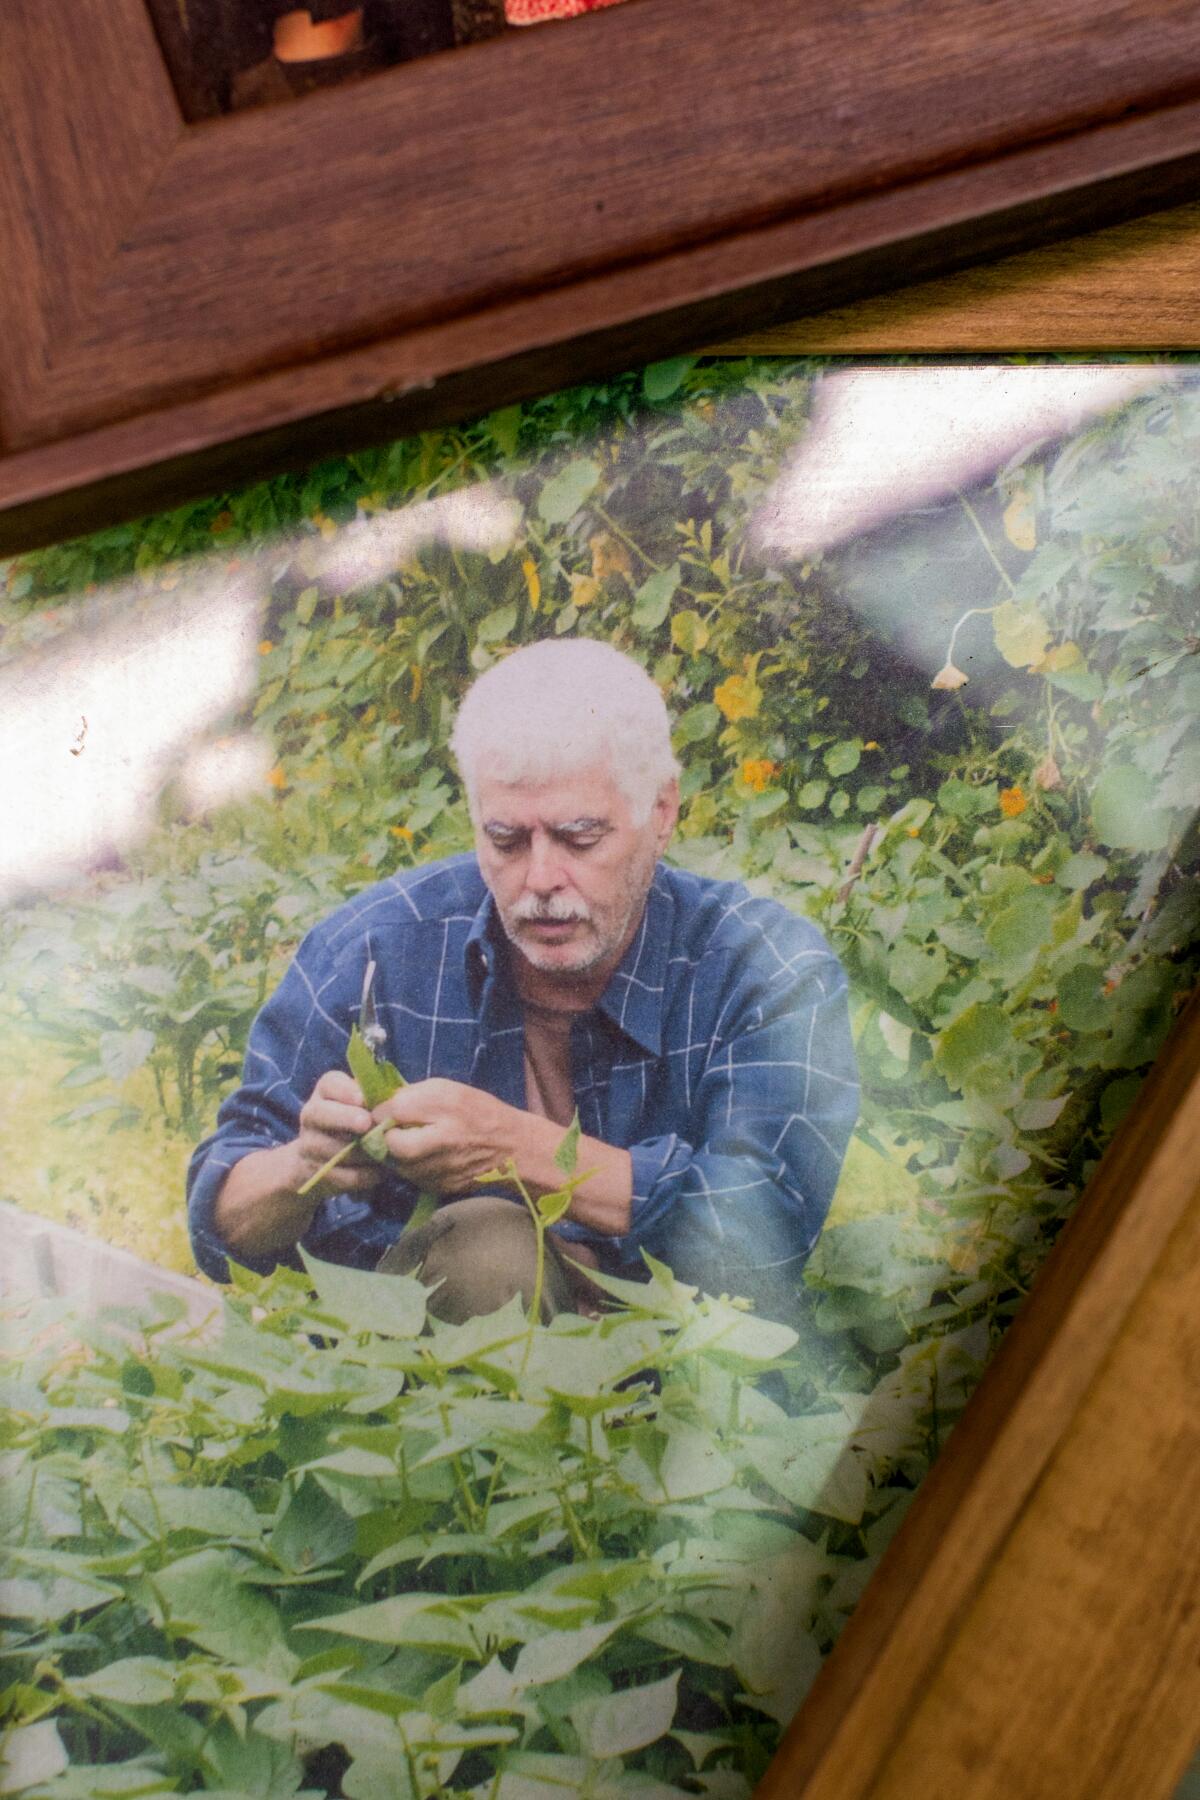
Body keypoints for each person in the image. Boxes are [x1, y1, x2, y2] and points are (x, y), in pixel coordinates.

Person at [187, 638, 858, 1323]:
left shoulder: (765, 967)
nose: (539, 881)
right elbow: (220, 1231)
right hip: (416, 1401)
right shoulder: (373, 948)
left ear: (661, 810)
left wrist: (514, 1149)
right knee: (486, 1252)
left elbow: (768, 1230)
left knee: (489, 1246)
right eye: (505, 840)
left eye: (579, 838)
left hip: (691, 1390)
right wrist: (302, 1169)